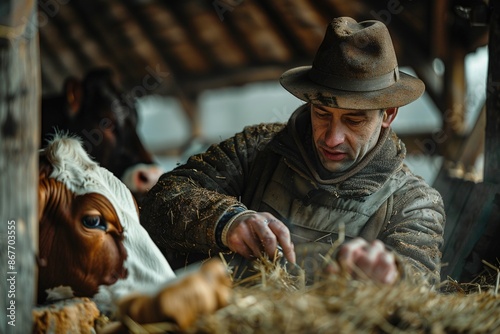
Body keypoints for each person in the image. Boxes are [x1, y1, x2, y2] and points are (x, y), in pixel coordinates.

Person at [140, 17, 445, 285]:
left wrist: (393, 278)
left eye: (354, 120)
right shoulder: (257, 148)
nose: (333, 138)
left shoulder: (413, 203)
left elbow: (421, 289)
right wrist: (227, 220)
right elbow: (163, 197)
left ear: (388, 115)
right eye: (322, 113)